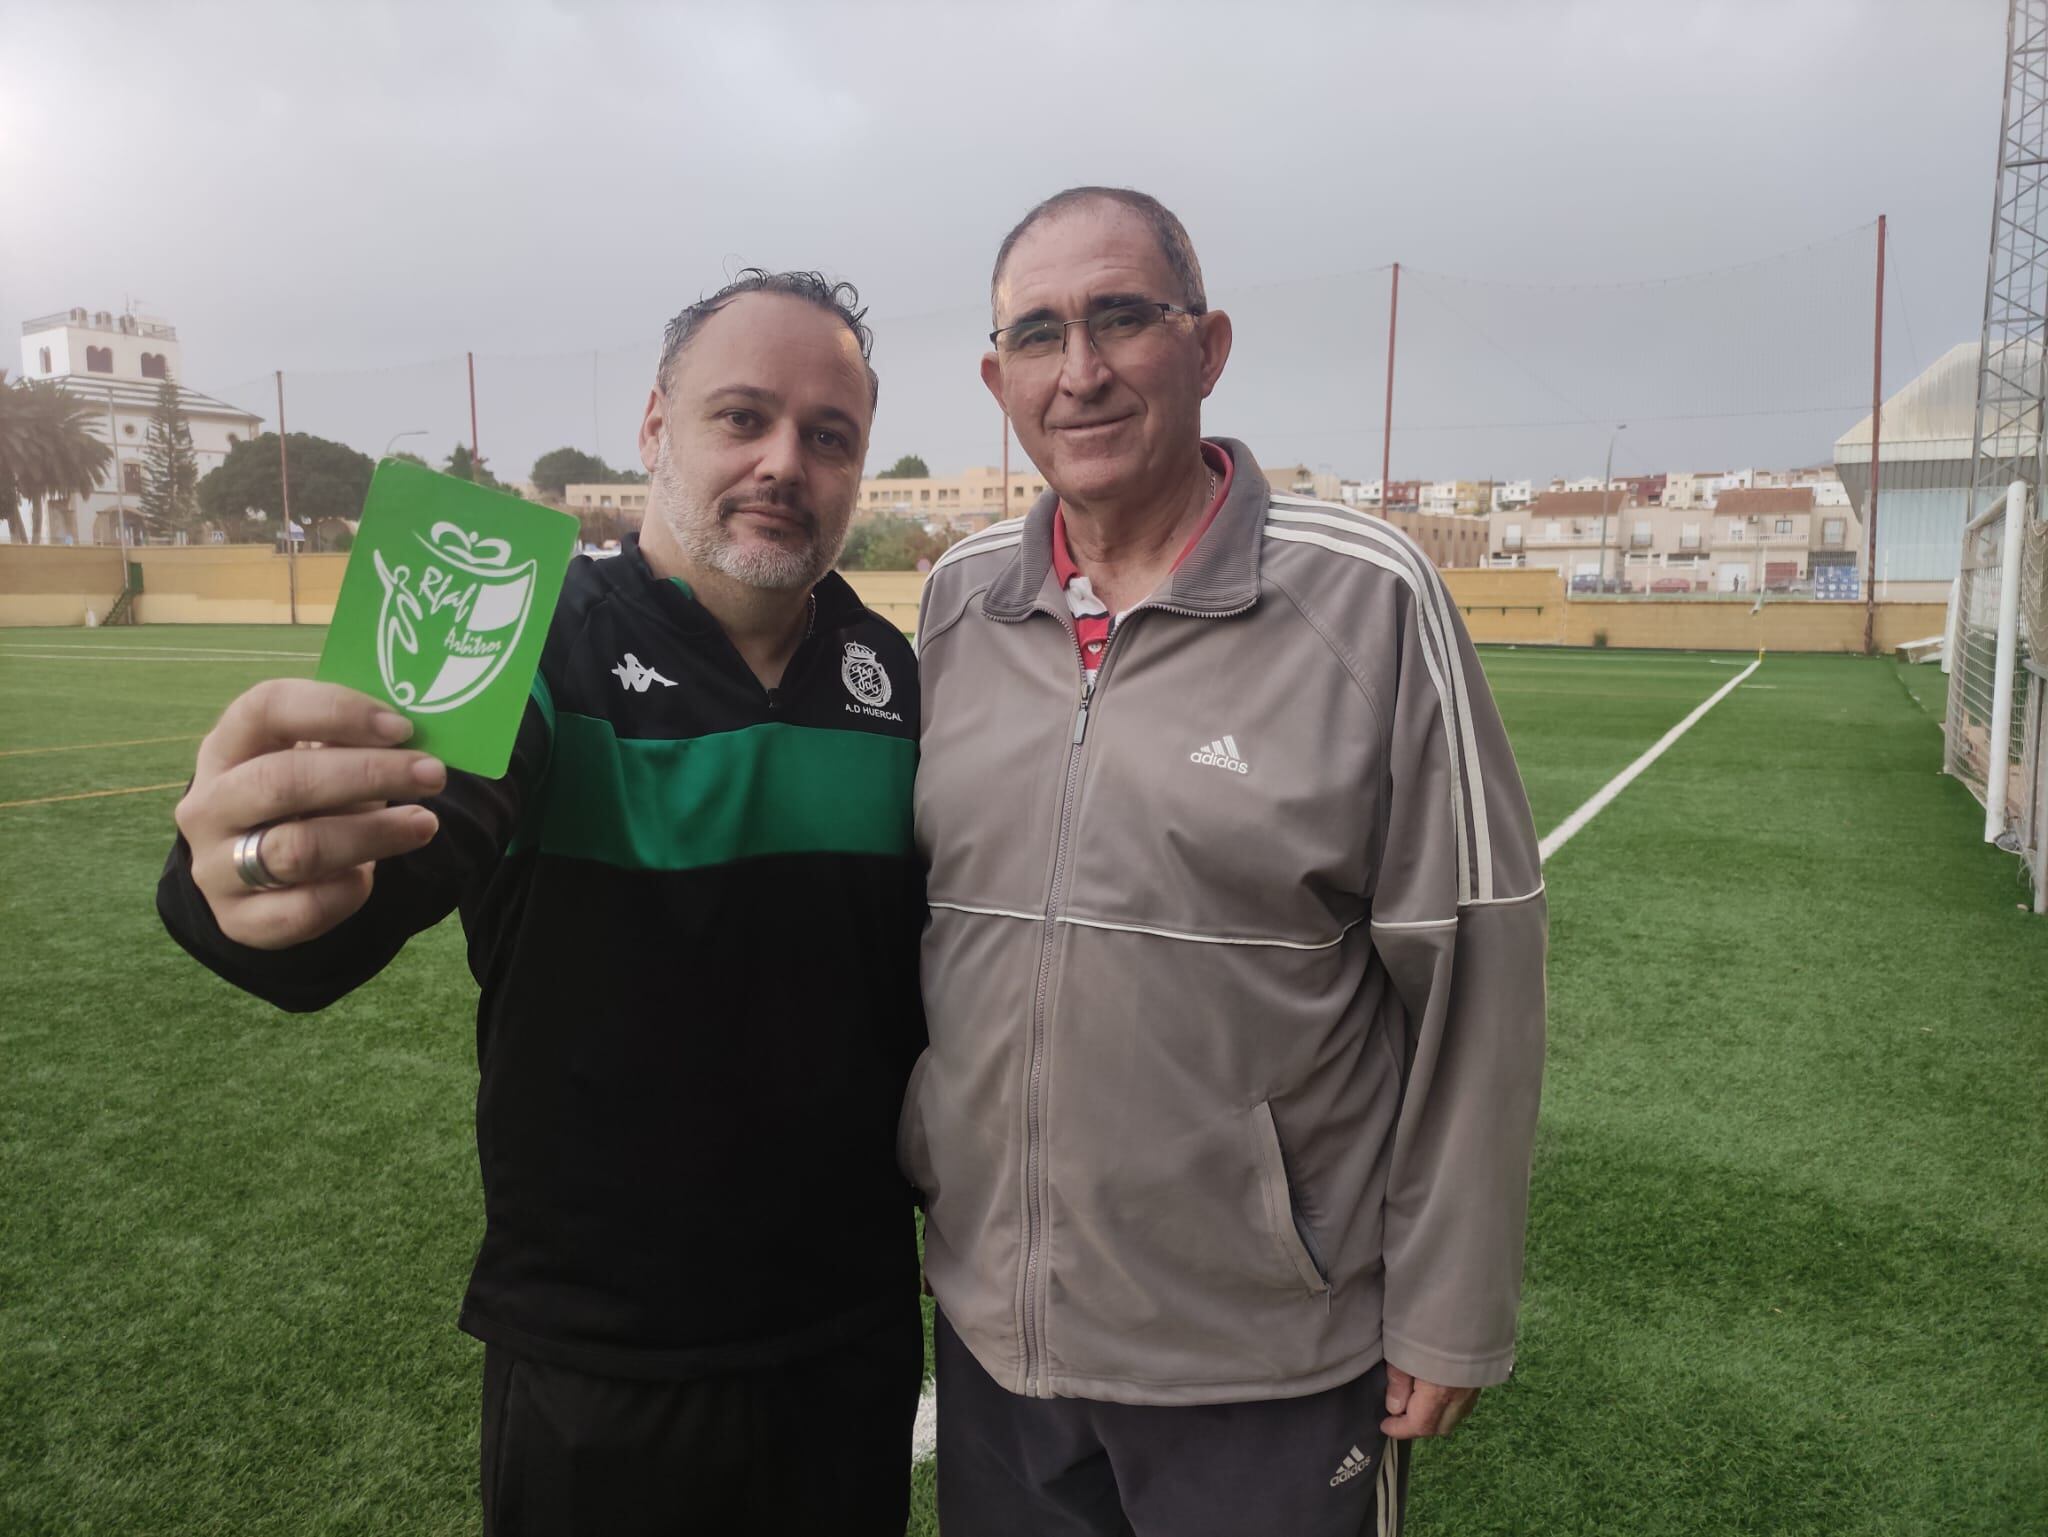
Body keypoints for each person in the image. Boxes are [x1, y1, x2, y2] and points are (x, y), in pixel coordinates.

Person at [157, 270, 925, 1536]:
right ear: (653, 431)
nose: (784, 461)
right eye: (741, 417)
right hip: (598, 1361)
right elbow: (379, 855)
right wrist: (243, 878)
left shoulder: (885, 672)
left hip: (844, 1343)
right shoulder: (526, 648)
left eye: (827, 435)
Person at [902, 189, 1548, 1536]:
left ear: (1208, 347)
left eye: (1121, 318)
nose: (1079, 370)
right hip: (994, 1336)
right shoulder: (960, 600)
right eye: (1038, 334)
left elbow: (1477, 963)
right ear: (995, 378)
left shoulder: (1367, 593)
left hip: (1264, 1355)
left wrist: (1450, 1300)